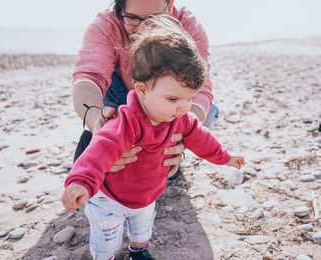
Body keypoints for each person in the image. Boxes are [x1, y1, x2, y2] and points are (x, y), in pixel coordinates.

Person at [62, 16, 245, 260]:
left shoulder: (180, 118)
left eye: (189, 99)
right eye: (173, 99)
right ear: (142, 90)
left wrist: (226, 157)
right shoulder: (127, 123)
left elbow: (203, 140)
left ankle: (137, 250)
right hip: (110, 198)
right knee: (107, 239)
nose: (183, 107)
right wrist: (81, 182)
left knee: (142, 229)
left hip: (146, 196)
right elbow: (99, 152)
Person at [72, 0, 218, 180]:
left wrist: (181, 135)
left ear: (170, 6)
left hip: (169, 107)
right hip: (122, 101)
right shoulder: (105, 26)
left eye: (154, 18)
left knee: (208, 111)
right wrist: (95, 121)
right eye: (132, 18)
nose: (143, 29)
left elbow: (202, 89)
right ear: (120, 9)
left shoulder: (188, 25)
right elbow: (88, 77)